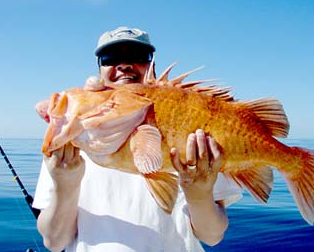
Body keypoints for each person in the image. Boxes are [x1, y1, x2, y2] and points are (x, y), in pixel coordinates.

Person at [33, 26, 242, 252]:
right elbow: (55, 242)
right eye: (110, 58)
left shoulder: (193, 123)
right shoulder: (71, 142)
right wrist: (66, 183)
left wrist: (199, 194)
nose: (124, 65)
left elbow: (212, 236)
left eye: (137, 56)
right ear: (99, 68)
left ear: (151, 63)